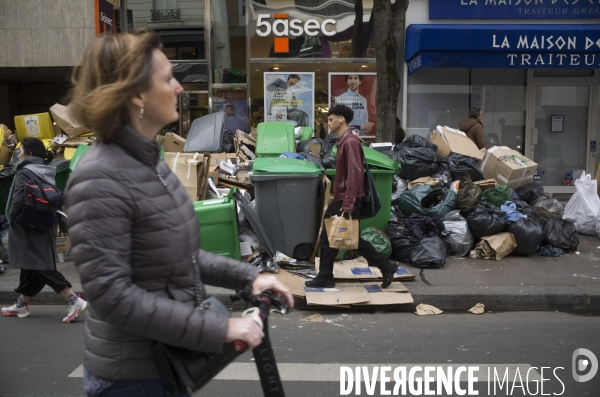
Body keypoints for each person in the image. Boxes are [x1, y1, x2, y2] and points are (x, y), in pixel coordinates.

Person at [66, 30, 294, 397]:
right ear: (137, 94)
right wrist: (218, 329)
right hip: (131, 381)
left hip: (165, 366)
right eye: (168, 78)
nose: (179, 88)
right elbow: (111, 294)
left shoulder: (149, 164)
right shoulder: (99, 176)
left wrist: (249, 277)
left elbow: (181, 256)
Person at [305, 104, 398, 289]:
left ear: (342, 119)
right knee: (340, 237)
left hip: (347, 199)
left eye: (331, 119)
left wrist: (348, 202)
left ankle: (385, 266)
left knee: (345, 238)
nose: (328, 123)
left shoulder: (350, 142)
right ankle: (326, 275)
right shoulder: (344, 141)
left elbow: (355, 174)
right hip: (345, 197)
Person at [1, 137, 87, 323]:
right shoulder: (47, 171)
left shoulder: (25, 172)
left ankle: (73, 299)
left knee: (40, 265)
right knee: (30, 263)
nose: (19, 153)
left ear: (29, 154)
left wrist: (11, 218)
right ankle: (21, 304)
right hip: (43, 222)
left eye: (21, 150)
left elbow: (16, 200)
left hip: (26, 225)